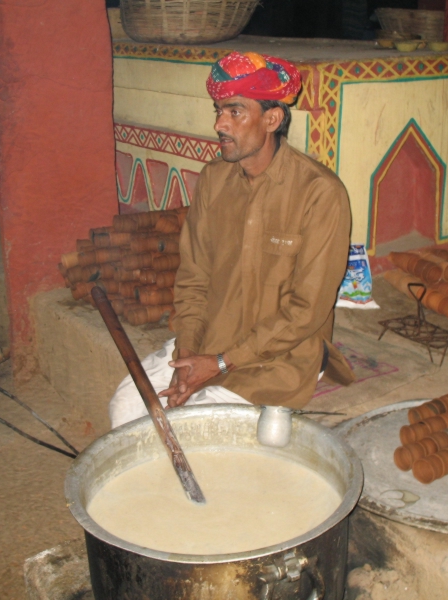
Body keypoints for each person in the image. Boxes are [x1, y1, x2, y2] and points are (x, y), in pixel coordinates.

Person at [109, 51, 354, 429]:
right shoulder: (213, 179)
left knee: (187, 428)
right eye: (218, 111)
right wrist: (186, 354)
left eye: (235, 112)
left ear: (271, 119)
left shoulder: (320, 193)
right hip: (210, 341)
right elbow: (193, 278)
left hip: (278, 359)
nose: (220, 124)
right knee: (126, 408)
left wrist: (221, 363)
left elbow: (307, 310)